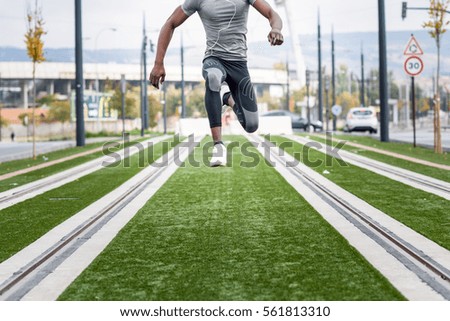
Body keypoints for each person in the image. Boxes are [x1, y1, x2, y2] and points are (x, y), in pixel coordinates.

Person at [150, 0, 284, 166]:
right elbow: (170, 23)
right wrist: (158, 62)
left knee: (251, 125)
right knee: (213, 77)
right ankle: (218, 146)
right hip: (214, 59)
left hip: (239, 64)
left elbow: (272, 13)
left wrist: (276, 29)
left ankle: (226, 96)